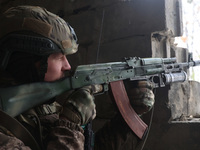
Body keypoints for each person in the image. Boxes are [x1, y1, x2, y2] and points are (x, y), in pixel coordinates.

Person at [0, 5, 155, 150]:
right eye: (59, 57)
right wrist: (69, 124)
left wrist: (130, 116)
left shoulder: (45, 109)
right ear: (28, 61)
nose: (67, 66)